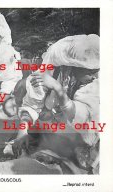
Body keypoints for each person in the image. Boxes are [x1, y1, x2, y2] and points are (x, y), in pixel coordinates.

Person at [6, 34, 100, 173]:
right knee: (23, 87)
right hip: (61, 120)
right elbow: (32, 102)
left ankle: (85, 149)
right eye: (91, 71)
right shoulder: (51, 70)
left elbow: (83, 116)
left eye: (97, 71)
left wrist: (57, 88)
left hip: (85, 124)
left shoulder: (96, 82)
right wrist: (22, 131)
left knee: (84, 158)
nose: (94, 75)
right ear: (73, 66)